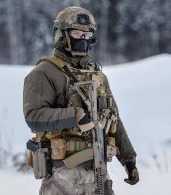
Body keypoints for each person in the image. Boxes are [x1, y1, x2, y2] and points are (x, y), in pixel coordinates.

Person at [23, 6, 139, 195]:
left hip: (98, 171)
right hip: (63, 173)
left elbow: (113, 118)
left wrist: (129, 159)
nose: (82, 39)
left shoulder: (97, 75)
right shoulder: (44, 72)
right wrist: (75, 116)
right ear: (62, 35)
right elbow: (33, 116)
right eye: (77, 33)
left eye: (87, 34)